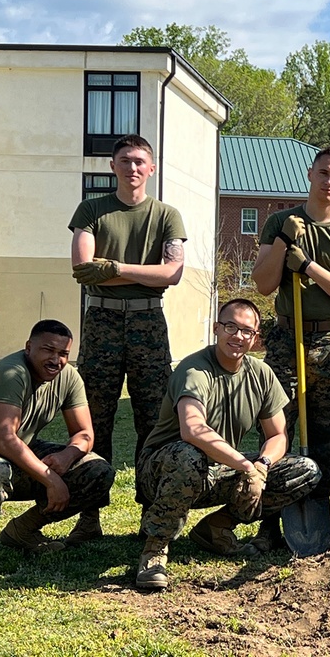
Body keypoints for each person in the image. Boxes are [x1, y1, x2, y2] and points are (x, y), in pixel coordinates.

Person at [134, 298, 321, 590]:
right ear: (216, 329)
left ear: (255, 338)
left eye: (246, 331)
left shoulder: (260, 374)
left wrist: (262, 466)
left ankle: (217, 527)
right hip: (162, 470)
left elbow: (277, 435)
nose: (237, 336)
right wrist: (246, 465)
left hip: (217, 468)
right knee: (188, 456)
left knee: (304, 470)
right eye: (230, 327)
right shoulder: (195, 369)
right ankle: (155, 549)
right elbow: (192, 430)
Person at [249, 146, 330, 553]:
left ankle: (316, 504)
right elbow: (264, 284)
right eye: (323, 173)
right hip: (287, 338)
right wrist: (286, 243)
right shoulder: (280, 222)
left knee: (328, 433)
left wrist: (309, 268)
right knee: (277, 427)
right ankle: (269, 521)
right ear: (310, 174)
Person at [67, 133, 186, 544]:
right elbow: (83, 268)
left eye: (140, 161)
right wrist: (142, 271)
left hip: (148, 325)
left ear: (151, 168)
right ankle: (88, 514)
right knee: (92, 417)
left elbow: (172, 273)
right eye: (125, 160)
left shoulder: (167, 215)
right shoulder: (92, 210)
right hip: (100, 322)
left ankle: (149, 512)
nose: (132, 167)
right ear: (112, 166)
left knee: (152, 420)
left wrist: (114, 266)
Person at [0, 320, 115, 579]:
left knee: (97, 470)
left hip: (16, 450)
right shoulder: (12, 373)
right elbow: (2, 439)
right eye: (48, 350)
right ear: (29, 347)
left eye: (63, 354)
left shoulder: (69, 377)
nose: (56, 360)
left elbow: (84, 434)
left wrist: (67, 455)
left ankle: (23, 530)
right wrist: (51, 480)